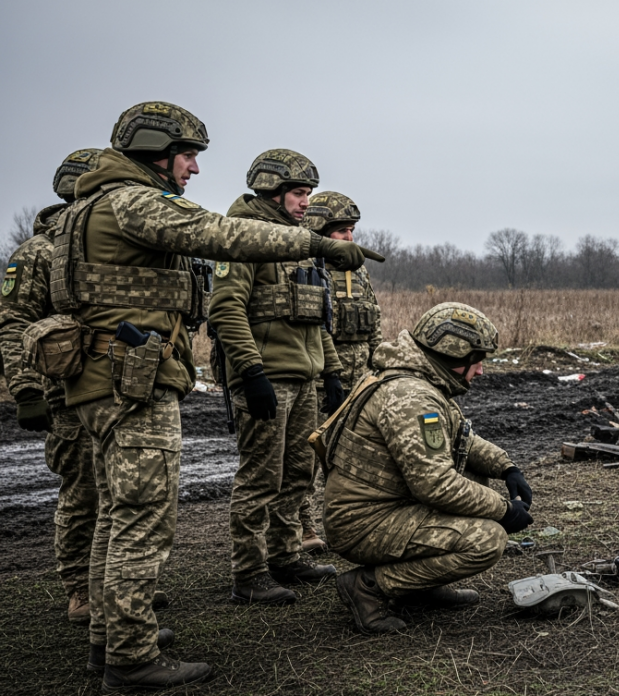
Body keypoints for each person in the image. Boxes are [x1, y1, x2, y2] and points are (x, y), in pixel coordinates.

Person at [54, 101, 377, 691]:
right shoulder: (130, 200)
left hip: (109, 375)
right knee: (141, 520)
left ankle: (111, 638)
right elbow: (218, 233)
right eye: (187, 156)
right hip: (131, 381)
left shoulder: (91, 206)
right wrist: (316, 246)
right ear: (155, 149)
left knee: (116, 515)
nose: (194, 170)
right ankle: (131, 657)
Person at [320, 302, 534, 634]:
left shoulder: (419, 378)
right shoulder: (412, 398)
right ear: (453, 354)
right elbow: (436, 484)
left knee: (476, 481)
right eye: (476, 361)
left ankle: (417, 586)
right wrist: (504, 510)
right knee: (487, 539)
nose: (480, 371)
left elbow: (460, 439)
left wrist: (506, 467)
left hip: (383, 509)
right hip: (362, 523)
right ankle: (369, 587)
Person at [209, 150, 342, 606]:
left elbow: (315, 316)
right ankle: (248, 573)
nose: (307, 203)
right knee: (260, 477)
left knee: (298, 473)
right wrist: (250, 372)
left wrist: (331, 373)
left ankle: (286, 557)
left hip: (304, 377)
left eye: (309, 193)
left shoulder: (297, 242)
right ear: (272, 192)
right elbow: (226, 310)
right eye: (299, 193)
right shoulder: (243, 239)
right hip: (267, 377)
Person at [0, 149, 101, 624]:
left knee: (119, 491)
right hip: (62, 394)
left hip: (108, 388)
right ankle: (81, 591)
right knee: (82, 492)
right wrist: (24, 389)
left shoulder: (101, 244)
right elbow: (13, 321)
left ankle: (111, 586)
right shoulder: (38, 252)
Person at [299, 191, 382, 552]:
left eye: (351, 230)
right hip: (320, 379)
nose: (349, 238)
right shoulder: (308, 269)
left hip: (359, 378)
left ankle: (351, 523)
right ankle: (302, 526)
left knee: (355, 457)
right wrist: (329, 373)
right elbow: (312, 327)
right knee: (306, 460)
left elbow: (374, 322)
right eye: (341, 231)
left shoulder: (358, 270)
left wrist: (380, 366)